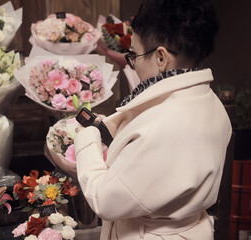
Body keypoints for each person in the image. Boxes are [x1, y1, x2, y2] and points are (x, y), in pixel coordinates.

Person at [74, 0, 232, 239]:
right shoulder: (211, 102)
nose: (133, 63)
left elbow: (104, 199)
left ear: (161, 58)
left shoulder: (163, 124)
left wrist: (86, 139)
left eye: (134, 55)